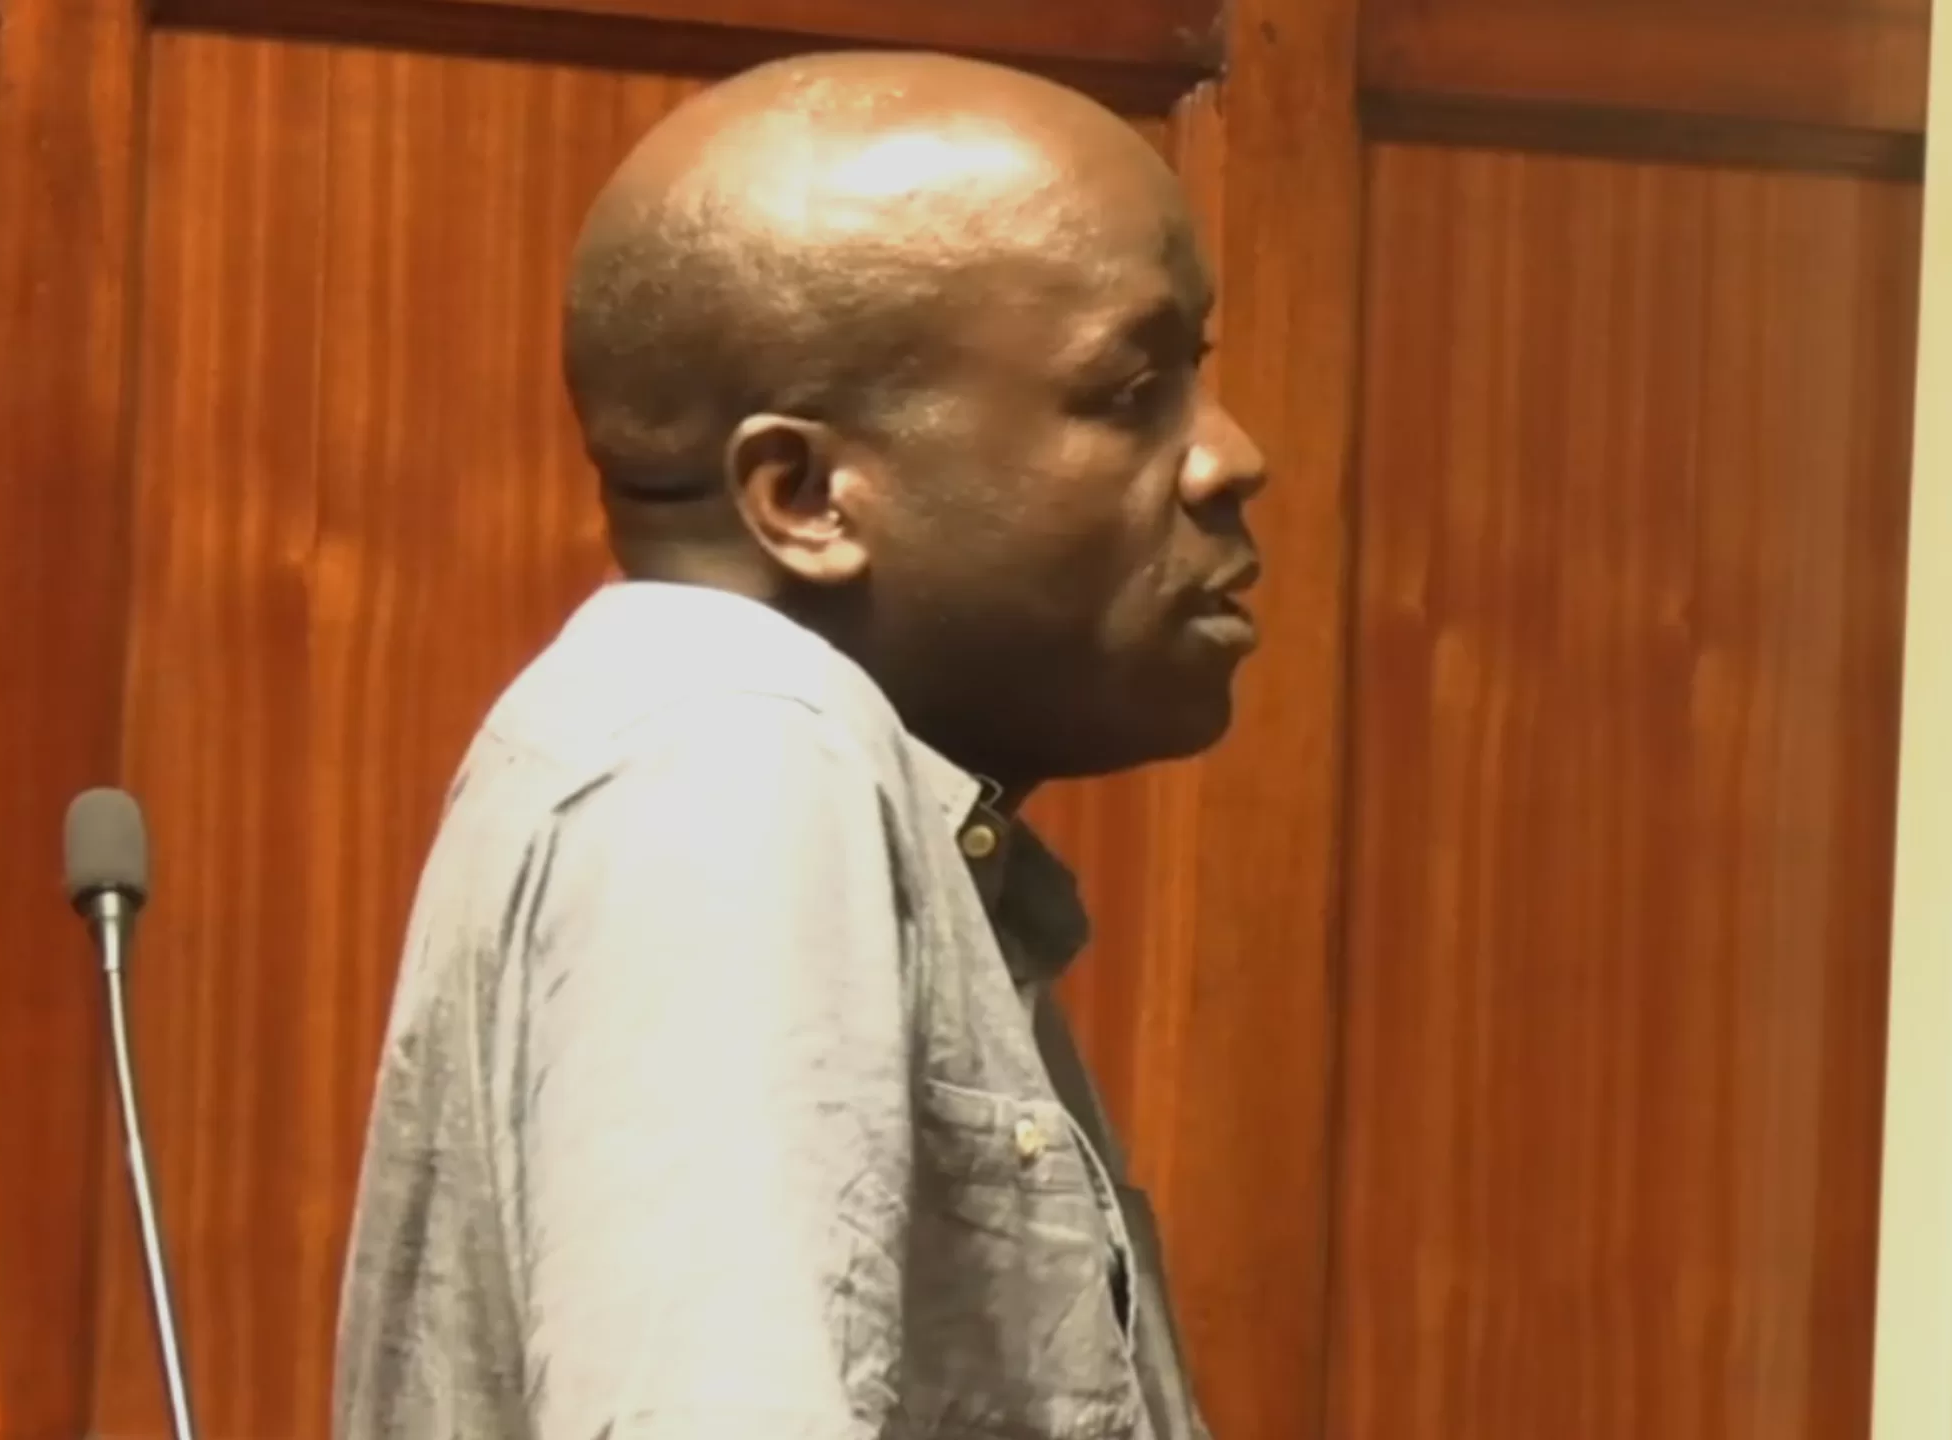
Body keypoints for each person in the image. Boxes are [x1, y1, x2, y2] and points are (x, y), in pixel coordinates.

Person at [334, 46, 1265, 1440]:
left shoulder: (748, 748)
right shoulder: (732, 759)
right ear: (807, 494)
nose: (1231, 458)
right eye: (1131, 392)